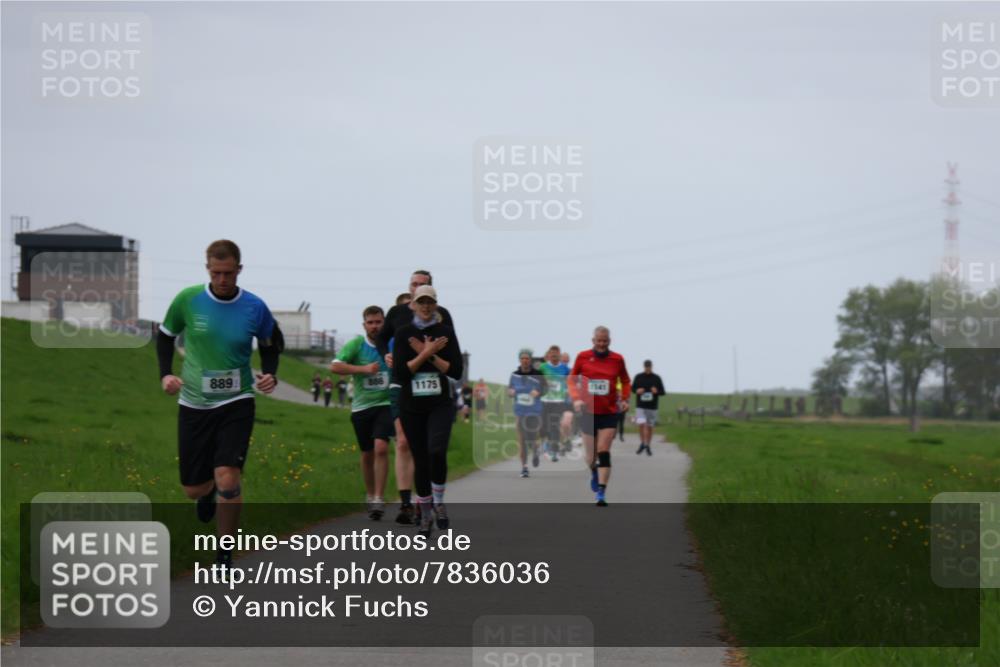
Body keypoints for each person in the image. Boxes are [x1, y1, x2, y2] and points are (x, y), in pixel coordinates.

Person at [157, 239, 282, 567]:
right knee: (193, 490)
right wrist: (165, 375)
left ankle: (225, 551)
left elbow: (271, 342)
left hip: (236, 400)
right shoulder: (188, 300)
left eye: (228, 273)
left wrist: (270, 373)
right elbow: (165, 336)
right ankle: (207, 492)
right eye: (216, 273)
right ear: (208, 270)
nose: (223, 279)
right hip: (194, 402)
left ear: (239, 270)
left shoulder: (254, 306)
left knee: (229, 475)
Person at [379, 271, 457, 526]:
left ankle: (439, 501)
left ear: (436, 305)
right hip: (411, 403)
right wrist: (426, 354)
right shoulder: (403, 332)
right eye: (421, 302)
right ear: (413, 304)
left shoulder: (445, 330)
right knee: (420, 457)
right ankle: (424, 511)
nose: (425, 307)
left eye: (429, 302)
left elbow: (455, 370)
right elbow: (401, 372)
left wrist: (429, 354)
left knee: (437, 451)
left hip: (440, 402)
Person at [330, 306, 394, 521]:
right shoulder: (357, 344)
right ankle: (370, 493)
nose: (375, 326)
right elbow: (336, 366)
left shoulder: (391, 343)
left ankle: (378, 497)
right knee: (367, 453)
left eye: (379, 322)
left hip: (386, 404)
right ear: (364, 325)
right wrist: (362, 370)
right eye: (371, 323)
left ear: (385, 322)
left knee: (381, 447)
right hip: (362, 407)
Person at [568, 326, 630, 507]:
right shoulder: (583, 357)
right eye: (599, 341)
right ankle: (594, 473)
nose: (602, 344)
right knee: (590, 457)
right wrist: (577, 399)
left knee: (604, 450)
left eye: (605, 341)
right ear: (593, 340)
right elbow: (572, 380)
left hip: (609, 412)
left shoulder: (617, 359)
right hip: (588, 412)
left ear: (609, 341)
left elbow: (625, 380)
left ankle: (601, 492)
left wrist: (625, 398)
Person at [508, 349, 547, 478]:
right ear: (519, 360)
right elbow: (510, 389)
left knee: (531, 436)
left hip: (534, 411)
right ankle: (524, 467)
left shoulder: (538, 374)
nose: (525, 360)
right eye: (522, 358)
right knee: (522, 439)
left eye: (527, 358)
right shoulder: (514, 375)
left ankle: (535, 449)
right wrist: (511, 392)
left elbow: (545, 388)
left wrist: (539, 392)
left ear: (530, 360)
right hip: (519, 410)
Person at [539, 345, 573, 460]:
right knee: (543, 427)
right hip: (544, 400)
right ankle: (547, 442)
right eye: (552, 354)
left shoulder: (565, 368)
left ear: (559, 355)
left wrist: (569, 389)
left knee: (554, 425)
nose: (554, 356)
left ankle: (554, 451)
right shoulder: (542, 367)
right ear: (549, 355)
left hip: (559, 401)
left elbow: (573, 379)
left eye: (556, 354)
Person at [633, 359, 666, 455]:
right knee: (641, 424)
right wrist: (637, 390)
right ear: (644, 367)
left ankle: (648, 445)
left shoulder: (656, 378)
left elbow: (663, 392)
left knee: (649, 426)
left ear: (652, 366)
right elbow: (633, 388)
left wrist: (656, 391)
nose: (648, 368)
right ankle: (643, 443)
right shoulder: (638, 377)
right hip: (640, 406)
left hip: (652, 406)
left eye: (649, 366)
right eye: (646, 367)